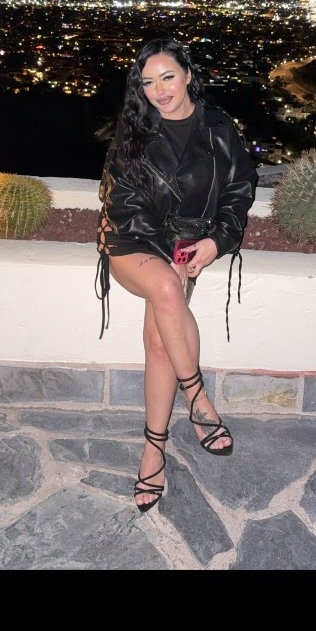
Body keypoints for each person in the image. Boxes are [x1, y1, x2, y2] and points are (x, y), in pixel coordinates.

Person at [95, 37, 257, 513]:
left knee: (161, 341)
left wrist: (215, 242)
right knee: (167, 285)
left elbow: (239, 190)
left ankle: (153, 450)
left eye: (168, 77)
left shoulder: (219, 128)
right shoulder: (134, 131)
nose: (160, 91)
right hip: (132, 240)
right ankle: (198, 397)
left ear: (187, 74)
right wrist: (171, 253)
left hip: (186, 246)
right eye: (148, 83)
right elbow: (123, 205)